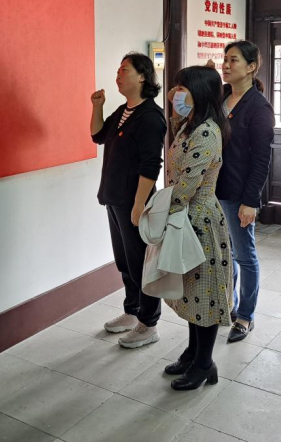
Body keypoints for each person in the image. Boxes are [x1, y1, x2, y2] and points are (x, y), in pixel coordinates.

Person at [163, 66, 233, 390]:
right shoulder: (189, 125)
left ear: (200, 93)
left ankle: (205, 364)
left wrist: (161, 212)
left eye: (182, 88)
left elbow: (187, 185)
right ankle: (193, 353)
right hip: (184, 215)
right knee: (191, 293)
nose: (176, 94)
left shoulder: (206, 132)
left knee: (204, 295)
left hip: (199, 219)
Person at [91, 52, 167, 349]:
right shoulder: (124, 110)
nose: (118, 75)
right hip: (114, 198)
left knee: (140, 263)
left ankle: (149, 323)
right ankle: (132, 310)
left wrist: (139, 204)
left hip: (134, 202)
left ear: (143, 76)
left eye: (125, 70)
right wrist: (98, 106)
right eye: (118, 70)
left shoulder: (150, 116)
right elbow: (98, 135)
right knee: (124, 260)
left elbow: (151, 165)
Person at [214, 41, 275, 343]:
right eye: (225, 59)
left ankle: (245, 316)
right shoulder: (221, 98)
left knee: (244, 255)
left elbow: (262, 159)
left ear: (251, 67)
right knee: (225, 254)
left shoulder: (258, 107)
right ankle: (229, 305)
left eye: (233, 60)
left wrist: (251, 201)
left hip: (239, 193)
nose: (226, 65)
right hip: (215, 189)